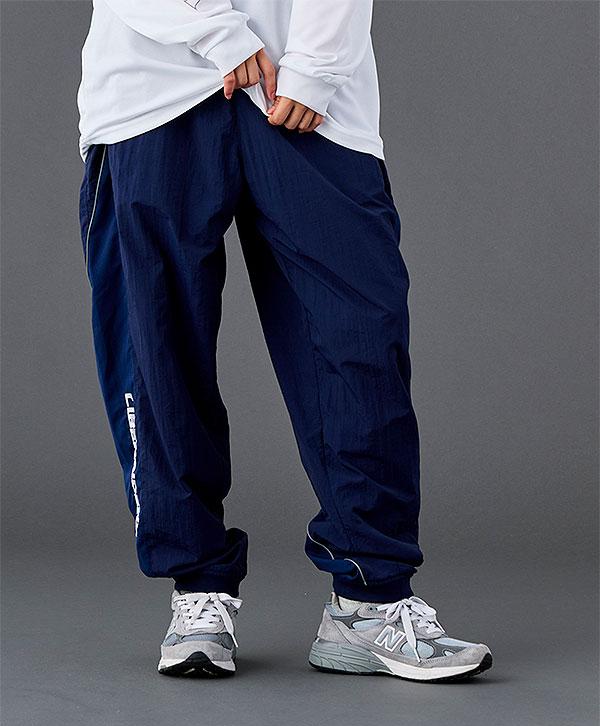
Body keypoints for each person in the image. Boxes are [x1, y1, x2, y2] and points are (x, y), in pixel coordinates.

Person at [78, 0, 492, 681]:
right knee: (158, 351)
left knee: (359, 337)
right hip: (151, 85)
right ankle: (197, 589)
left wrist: (317, 67)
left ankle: (369, 600)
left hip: (304, 87)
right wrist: (216, 31)